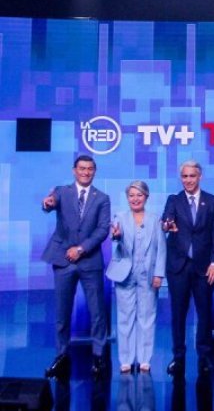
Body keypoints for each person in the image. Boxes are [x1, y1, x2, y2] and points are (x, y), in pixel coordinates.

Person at [42, 154, 111, 378]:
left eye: (90, 169)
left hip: (90, 261)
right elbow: (49, 203)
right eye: (82, 168)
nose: (85, 172)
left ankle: (99, 356)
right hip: (63, 259)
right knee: (62, 312)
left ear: (94, 171)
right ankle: (61, 355)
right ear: (74, 171)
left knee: (97, 312)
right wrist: (47, 203)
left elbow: (103, 230)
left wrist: (81, 249)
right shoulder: (61, 192)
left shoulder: (102, 198)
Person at [162, 160, 214, 376]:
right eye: (185, 176)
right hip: (178, 267)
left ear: (200, 177)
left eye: (192, 176)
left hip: (204, 268)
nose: (188, 180)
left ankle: (204, 357)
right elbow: (166, 220)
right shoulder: (174, 200)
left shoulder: (213, 202)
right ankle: (178, 357)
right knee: (178, 314)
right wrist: (167, 225)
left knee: (204, 313)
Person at [106, 181, 166, 373]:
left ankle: (144, 359)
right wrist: (116, 236)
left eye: (139, 195)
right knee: (125, 317)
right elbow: (116, 239)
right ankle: (125, 359)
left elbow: (161, 249)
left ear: (146, 197)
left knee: (147, 317)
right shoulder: (120, 217)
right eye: (131, 195)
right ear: (127, 198)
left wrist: (159, 274)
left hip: (148, 274)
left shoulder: (155, 220)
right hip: (125, 274)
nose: (135, 199)